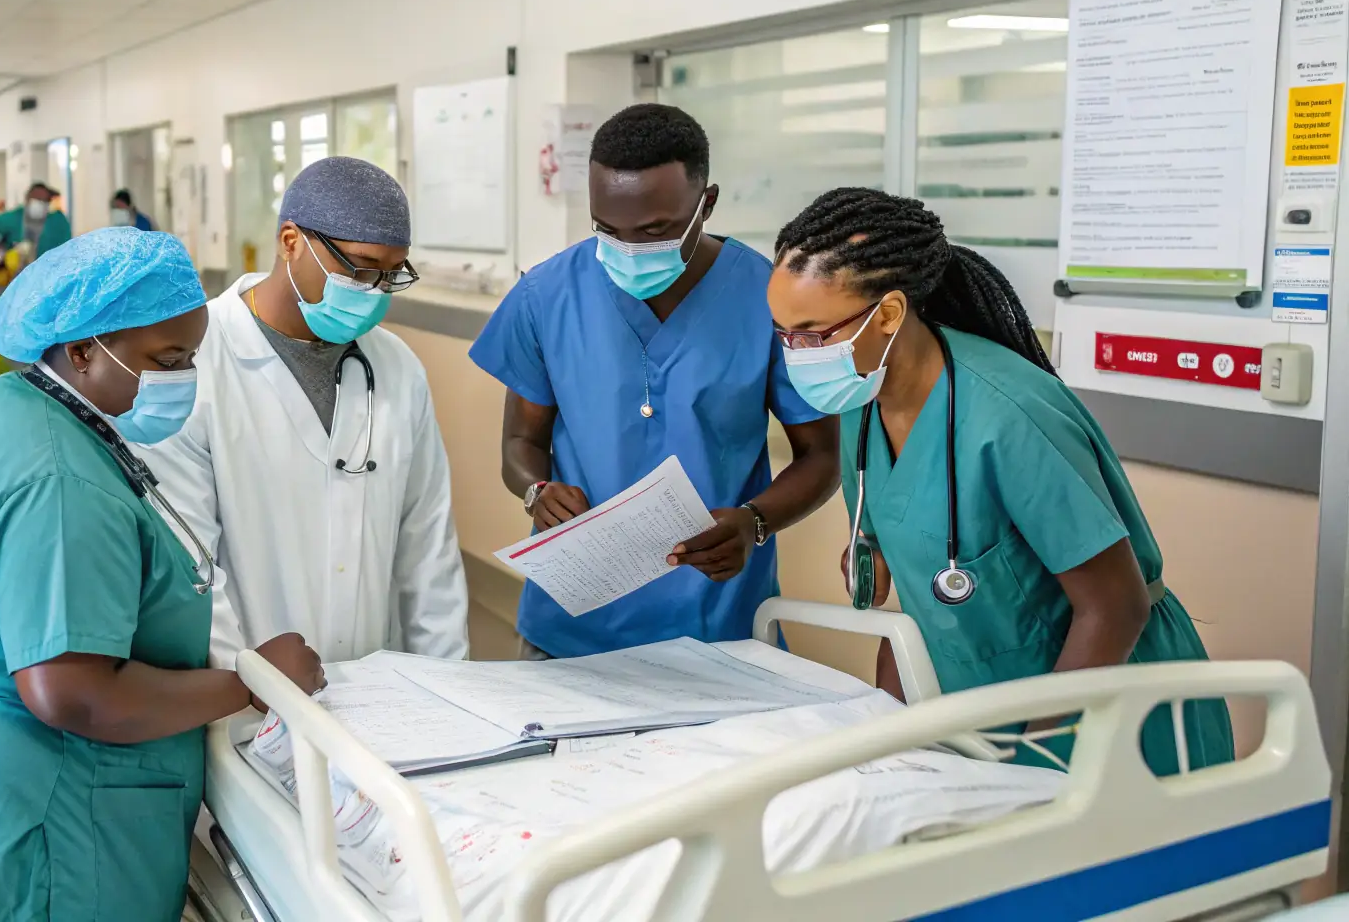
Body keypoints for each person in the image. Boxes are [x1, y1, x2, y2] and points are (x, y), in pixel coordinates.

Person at [0, 228, 326, 921]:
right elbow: (73, 694)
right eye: (167, 359)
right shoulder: (60, 482)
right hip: (22, 812)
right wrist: (254, 684)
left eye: (191, 357)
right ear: (83, 349)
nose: (184, 377)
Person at [766, 186, 1232, 776]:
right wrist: (890, 735)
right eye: (783, 334)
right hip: (980, 717)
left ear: (888, 314)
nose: (796, 354)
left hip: (1107, 715)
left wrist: (1036, 757)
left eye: (812, 334)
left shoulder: (1008, 416)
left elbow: (1115, 608)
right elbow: (916, 605)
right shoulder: (862, 400)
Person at [470, 104, 840, 659]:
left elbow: (822, 456)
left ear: (706, 204)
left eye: (654, 230)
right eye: (606, 229)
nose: (628, 249)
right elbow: (521, 441)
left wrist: (754, 522)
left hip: (717, 621)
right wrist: (536, 490)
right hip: (570, 626)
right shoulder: (546, 296)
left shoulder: (766, 298)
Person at [141, 156, 470, 666]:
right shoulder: (197, 362)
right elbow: (192, 565)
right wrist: (247, 689)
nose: (374, 292)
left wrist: (448, 685)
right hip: (244, 691)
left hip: (379, 691)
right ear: (291, 242)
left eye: (390, 276)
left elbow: (429, 550)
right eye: (359, 269)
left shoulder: (398, 367)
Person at [0, 181, 71, 260]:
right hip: (19, 266)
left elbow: (66, 245)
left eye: (42, 200)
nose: (38, 202)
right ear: (27, 199)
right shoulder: (16, 216)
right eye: (35, 198)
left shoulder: (57, 220)